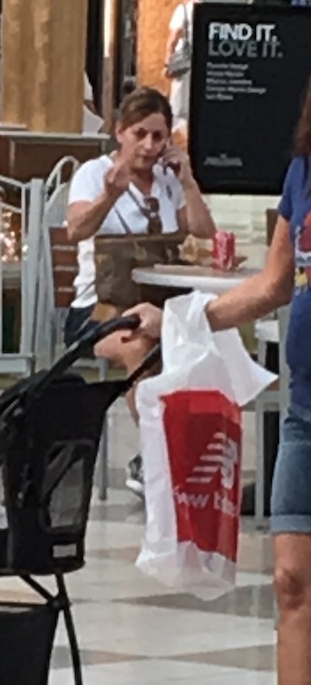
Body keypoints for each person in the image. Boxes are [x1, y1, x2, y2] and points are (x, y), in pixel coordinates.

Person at [126, 82, 311, 685]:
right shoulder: (303, 171)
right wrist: (182, 318)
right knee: (292, 580)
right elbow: (275, 284)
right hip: (306, 410)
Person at [64, 86, 216, 496]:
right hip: (99, 309)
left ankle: (182, 453)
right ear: (120, 132)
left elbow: (205, 233)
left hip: (159, 305)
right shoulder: (95, 173)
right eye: (140, 134)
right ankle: (157, 457)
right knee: (142, 348)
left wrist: (188, 182)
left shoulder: (166, 180)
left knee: (204, 341)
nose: (149, 146)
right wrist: (109, 195)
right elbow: (75, 229)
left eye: (158, 136)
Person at [165, 0, 205, 139]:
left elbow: (174, 36)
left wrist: (167, 60)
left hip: (184, 61)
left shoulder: (183, 10)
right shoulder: (207, 10)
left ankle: (178, 136)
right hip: (201, 60)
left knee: (178, 102)